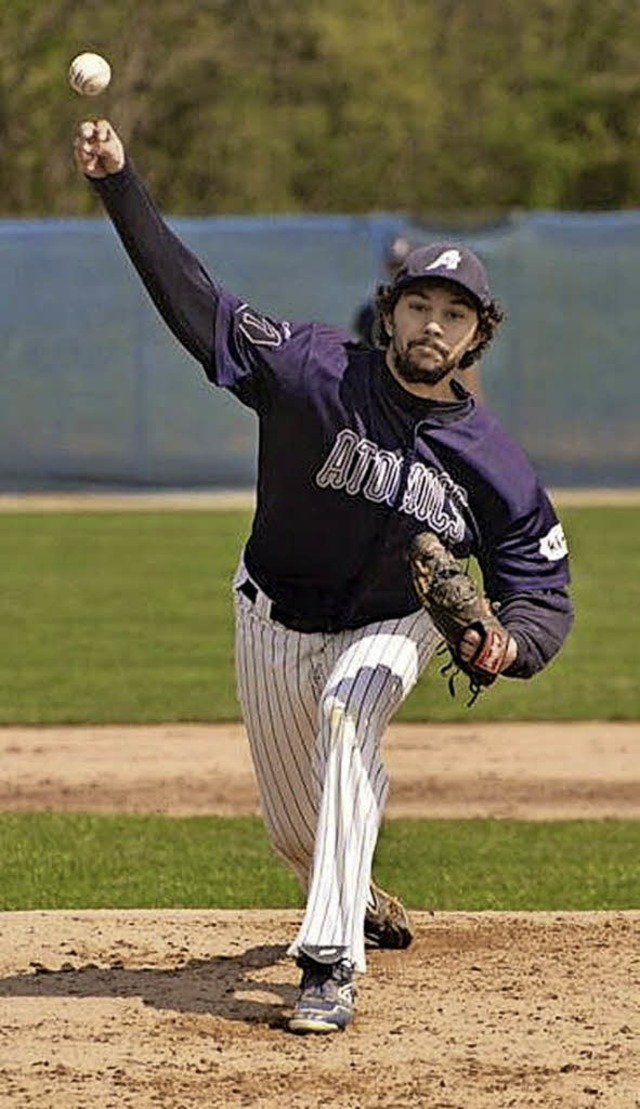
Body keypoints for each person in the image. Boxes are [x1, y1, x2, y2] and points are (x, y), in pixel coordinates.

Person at [73, 119, 574, 1036]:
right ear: (391, 313)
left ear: (477, 339)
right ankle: (355, 895)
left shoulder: (494, 463)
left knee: (351, 711)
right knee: (295, 836)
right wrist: (119, 183)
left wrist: (502, 644)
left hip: (396, 620)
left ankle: (328, 962)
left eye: (456, 314)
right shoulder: (310, 370)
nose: (435, 324)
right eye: (421, 305)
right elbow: (199, 304)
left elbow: (543, 589)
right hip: (271, 612)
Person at [353, 235, 485, 398]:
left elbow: (467, 372)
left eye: (402, 264)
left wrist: (476, 412)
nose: (433, 326)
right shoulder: (370, 312)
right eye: (394, 264)